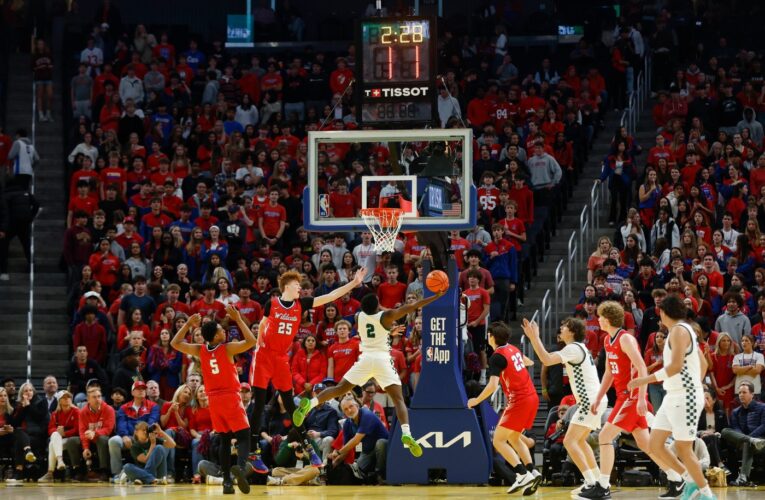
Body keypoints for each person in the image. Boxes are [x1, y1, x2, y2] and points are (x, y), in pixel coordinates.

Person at [293, 290, 444, 458]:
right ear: (378, 303)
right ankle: (406, 433)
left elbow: (373, 332)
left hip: (365, 359)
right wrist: (435, 297)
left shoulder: (360, 317)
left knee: (340, 388)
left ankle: (311, 403)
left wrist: (388, 332)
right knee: (398, 399)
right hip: (382, 361)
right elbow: (413, 306)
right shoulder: (386, 316)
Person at [250, 268, 367, 468]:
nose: (300, 289)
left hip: (280, 358)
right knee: (259, 403)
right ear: (287, 286)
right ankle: (254, 452)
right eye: (297, 286)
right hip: (263, 356)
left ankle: (308, 447)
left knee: (291, 405)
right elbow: (262, 324)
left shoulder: (301, 304)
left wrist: (354, 283)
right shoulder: (272, 304)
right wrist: (258, 343)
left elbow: (330, 296)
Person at [581, 301, 675, 500]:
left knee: (604, 437)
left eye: (600, 317)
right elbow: (608, 372)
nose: (598, 319)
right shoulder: (607, 340)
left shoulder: (626, 339)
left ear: (607, 319)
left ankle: (603, 486)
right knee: (646, 445)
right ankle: (676, 479)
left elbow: (642, 368)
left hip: (632, 397)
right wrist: (599, 397)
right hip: (623, 397)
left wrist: (641, 398)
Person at [628, 294, 714, 500]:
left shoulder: (678, 331)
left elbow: (675, 367)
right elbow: (702, 365)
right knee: (655, 445)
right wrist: (694, 380)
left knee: (684, 448)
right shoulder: (685, 331)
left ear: (664, 312)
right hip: (673, 395)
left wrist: (644, 380)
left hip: (685, 397)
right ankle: (690, 481)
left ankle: (707, 494)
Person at [171, 307, 257, 494]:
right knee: (243, 435)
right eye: (220, 330)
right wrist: (238, 319)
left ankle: (226, 481)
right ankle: (241, 469)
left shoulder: (200, 350)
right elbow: (252, 341)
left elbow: (175, 343)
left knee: (225, 440)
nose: (223, 331)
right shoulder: (227, 348)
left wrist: (187, 324)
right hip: (230, 396)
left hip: (214, 401)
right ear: (215, 336)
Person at [521, 317, 607, 496]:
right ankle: (598, 482)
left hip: (590, 401)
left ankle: (592, 483)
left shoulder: (573, 348)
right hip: (591, 400)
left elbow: (546, 359)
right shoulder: (578, 348)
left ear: (573, 331)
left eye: (564, 326)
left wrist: (534, 337)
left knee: (570, 441)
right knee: (580, 441)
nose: (560, 328)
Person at [466, 321, 541, 495]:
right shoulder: (513, 349)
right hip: (532, 397)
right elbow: (527, 361)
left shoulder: (496, 357)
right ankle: (532, 471)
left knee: (498, 440)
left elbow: (492, 386)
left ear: (491, 337)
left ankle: (522, 474)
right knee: (514, 438)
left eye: (488, 335)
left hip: (519, 400)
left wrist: (476, 400)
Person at [721, 382, 765, 487]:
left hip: (761, 442)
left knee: (747, 443)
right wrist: (745, 439)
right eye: (739, 392)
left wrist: (749, 438)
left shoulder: (763, 408)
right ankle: (749, 441)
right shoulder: (735, 412)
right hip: (741, 441)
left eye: (744, 392)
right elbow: (735, 428)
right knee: (724, 431)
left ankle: (743, 477)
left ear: (752, 394)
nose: (741, 395)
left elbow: (764, 426)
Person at [0, 179, 40, 281]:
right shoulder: (25, 193)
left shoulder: (5, 196)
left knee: (4, 246)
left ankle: (3, 271)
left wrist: (3, 229)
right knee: (26, 245)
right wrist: (30, 217)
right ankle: (32, 266)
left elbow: (5, 213)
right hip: (24, 223)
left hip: (11, 224)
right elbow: (37, 205)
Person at [38, 391, 80, 482]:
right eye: (64, 397)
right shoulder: (55, 414)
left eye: (68, 397)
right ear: (59, 401)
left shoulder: (76, 411)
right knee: (54, 436)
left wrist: (65, 433)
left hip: (72, 438)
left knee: (52, 445)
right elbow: (50, 429)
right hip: (59, 439)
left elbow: (78, 429)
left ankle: (50, 473)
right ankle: (59, 461)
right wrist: (58, 433)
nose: (67, 399)